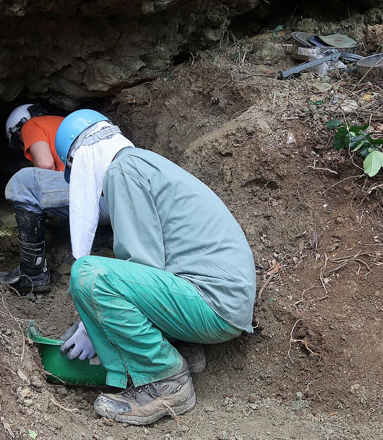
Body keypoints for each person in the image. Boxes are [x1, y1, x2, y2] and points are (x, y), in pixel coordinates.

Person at [53, 109, 256, 425]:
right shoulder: (143, 163)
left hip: (212, 304)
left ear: (80, 162)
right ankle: (184, 353)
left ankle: (166, 382)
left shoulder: (121, 171)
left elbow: (143, 266)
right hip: (223, 302)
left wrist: (96, 325)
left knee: (90, 275)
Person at [0, 104, 109, 294]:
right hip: (117, 202)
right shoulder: (67, 127)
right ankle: (104, 238)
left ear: (18, 131)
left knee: (25, 182)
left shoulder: (32, 126)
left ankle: (32, 274)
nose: (24, 148)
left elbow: (45, 164)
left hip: (96, 196)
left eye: (20, 144)